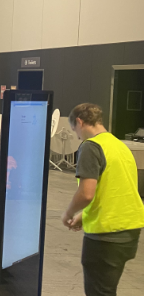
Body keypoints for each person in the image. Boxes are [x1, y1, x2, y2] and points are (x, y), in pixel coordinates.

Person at [61, 103, 144, 296]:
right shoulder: (118, 145)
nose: (78, 137)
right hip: (129, 229)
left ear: (79, 122)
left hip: (106, 235)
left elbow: (86, 193)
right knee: (107, 290)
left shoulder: (91, 147)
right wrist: (85, 215)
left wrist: (68, 213)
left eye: (75, 131)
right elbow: (114, 188)